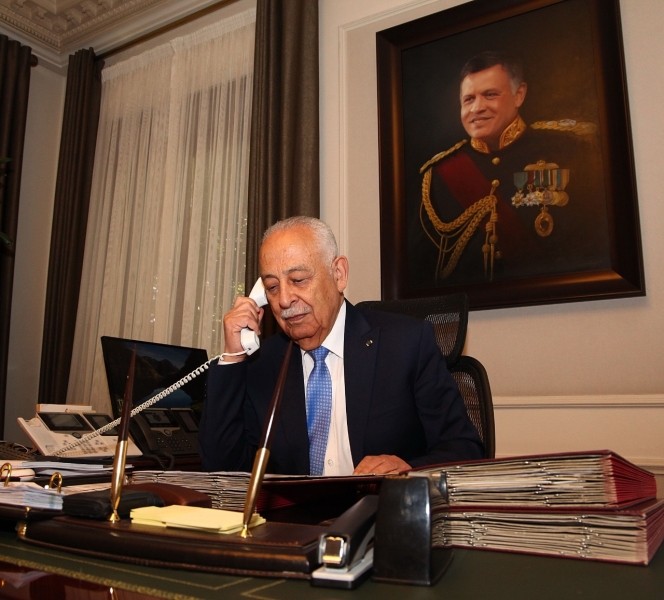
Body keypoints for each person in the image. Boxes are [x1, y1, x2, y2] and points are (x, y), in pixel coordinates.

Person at [199, 216, 483, 475]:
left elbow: (465, 449)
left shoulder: (406, 344)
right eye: (272, 287)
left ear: (339, 274)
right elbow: (223, 469)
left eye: (298, 280)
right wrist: (233, 357)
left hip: (379, 511)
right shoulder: (264, 362)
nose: (284, 300)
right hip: (297, 515)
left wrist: (409, 470)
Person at [416, 51, 610, 287]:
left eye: (490, 95)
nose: (477, 108)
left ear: (519, 95)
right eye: (468, 99)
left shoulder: (567, 150)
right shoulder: (440, 173)